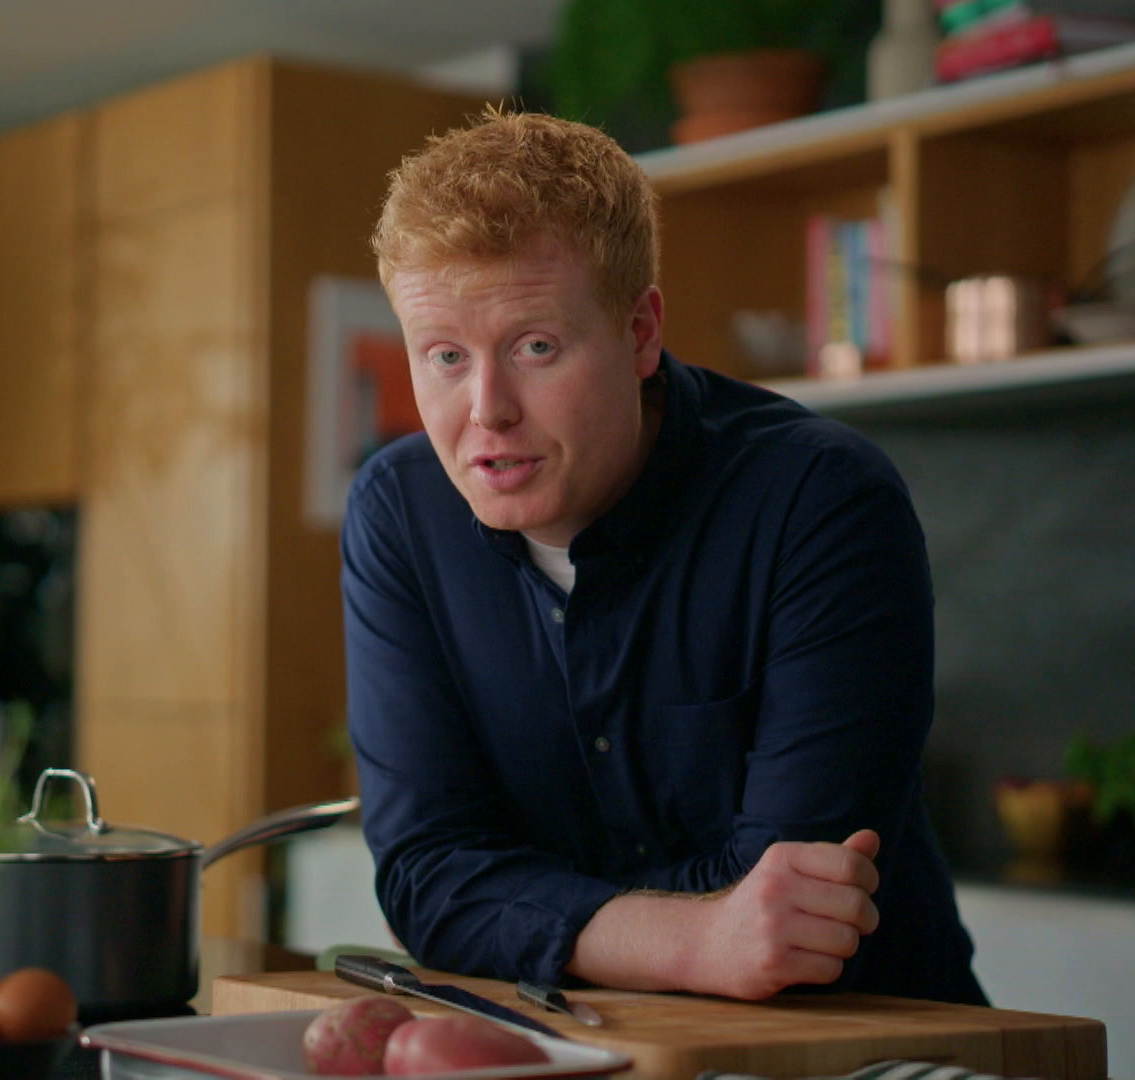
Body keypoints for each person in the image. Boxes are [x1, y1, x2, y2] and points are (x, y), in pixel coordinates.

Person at [340, 109, 986, 1005]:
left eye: (535, 347)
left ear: (641, 332)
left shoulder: (821, 501)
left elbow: (794, 908)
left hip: (863, 1047)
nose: (487, 410)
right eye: (445, 356)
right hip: (579, 1051)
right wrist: (692, 941)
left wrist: (523, 912)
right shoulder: (399, 513)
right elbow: (427, 878)